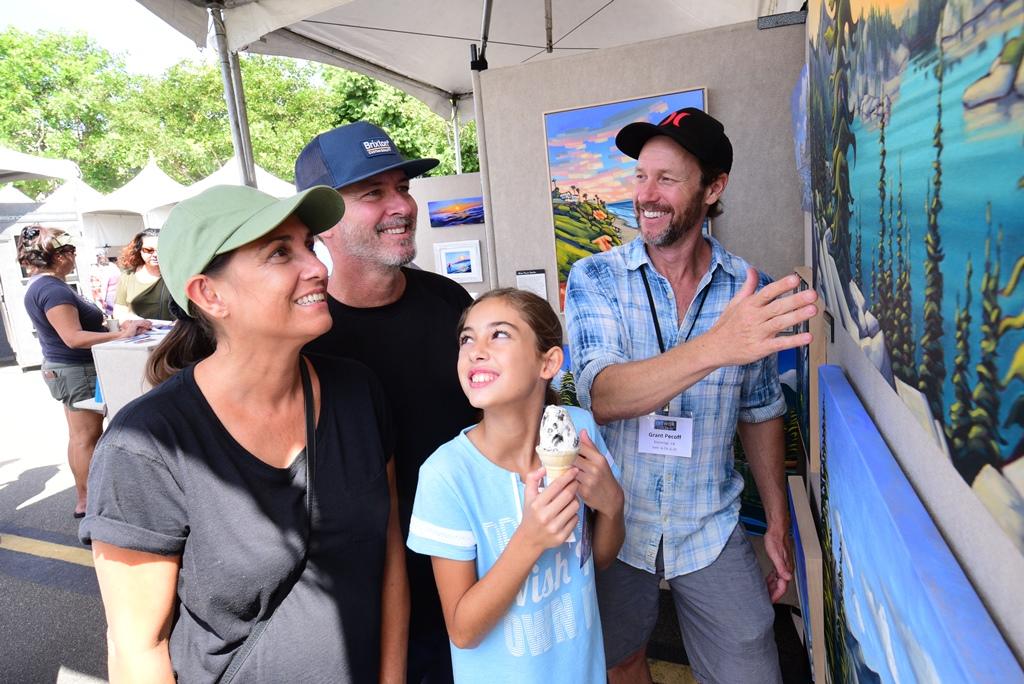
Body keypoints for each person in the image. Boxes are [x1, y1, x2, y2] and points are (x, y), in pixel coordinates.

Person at [79, 185, 409, 683]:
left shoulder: (356, 392)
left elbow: (389, 559)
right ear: (209, 294)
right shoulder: (148, 445)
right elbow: (137, 648)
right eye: (280, 252)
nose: (317, 267)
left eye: (308, 245)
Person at [564, 107, 819, 684]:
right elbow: (600, 393)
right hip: (614, 521)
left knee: (750, 664)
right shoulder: (595, 278)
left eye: (667, 179)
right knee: (619, 659)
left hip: (710, 522)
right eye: (640, 176)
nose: (646, 195)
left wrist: (777, 519)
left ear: (714, 188)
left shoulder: (745, 287)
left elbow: (760, 411)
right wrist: (718, 345)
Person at [296, 120, 478, 683]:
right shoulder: (305, 332)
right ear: (320, 224)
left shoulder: (449, 302)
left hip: (473, 574)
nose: (401, 204)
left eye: (403, 187)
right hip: (369, 593)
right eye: (373, 192)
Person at [407, 288, 624, 683]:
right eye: (466, 339)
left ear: (549, 362)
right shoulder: (446, 474)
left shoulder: (580, 431)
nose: (476, 350)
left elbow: (600, 559)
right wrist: (529, 540)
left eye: (500, 334)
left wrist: (613, 505)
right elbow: (463, 630)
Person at [18, 226, 150, 518]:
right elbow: (73, 337)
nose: (75, 256)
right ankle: (88, 502)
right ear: (58, 255)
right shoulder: (52, 288)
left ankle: (86, 499)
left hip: (66, 369)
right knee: (86, 437)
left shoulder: (42, 285)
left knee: (79, 437)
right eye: (70, 251)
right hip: (76, 369)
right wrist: (122, 335)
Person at [114, 228, 173, 320]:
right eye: (149, 250)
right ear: (139, 250)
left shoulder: (177, 274)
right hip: (138, 332)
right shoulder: (128, 276)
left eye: (160, 249)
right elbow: (119, 312)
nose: (155, 254)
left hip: (174, 332)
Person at [89, 250, 120, 316]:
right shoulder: (95, 269)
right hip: (111, 297)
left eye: (102, 255)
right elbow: (95, 288)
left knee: (116, 316)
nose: (101, 257)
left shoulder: (111, 267)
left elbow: (105, 286)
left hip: (114, 296)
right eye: (99, 256)